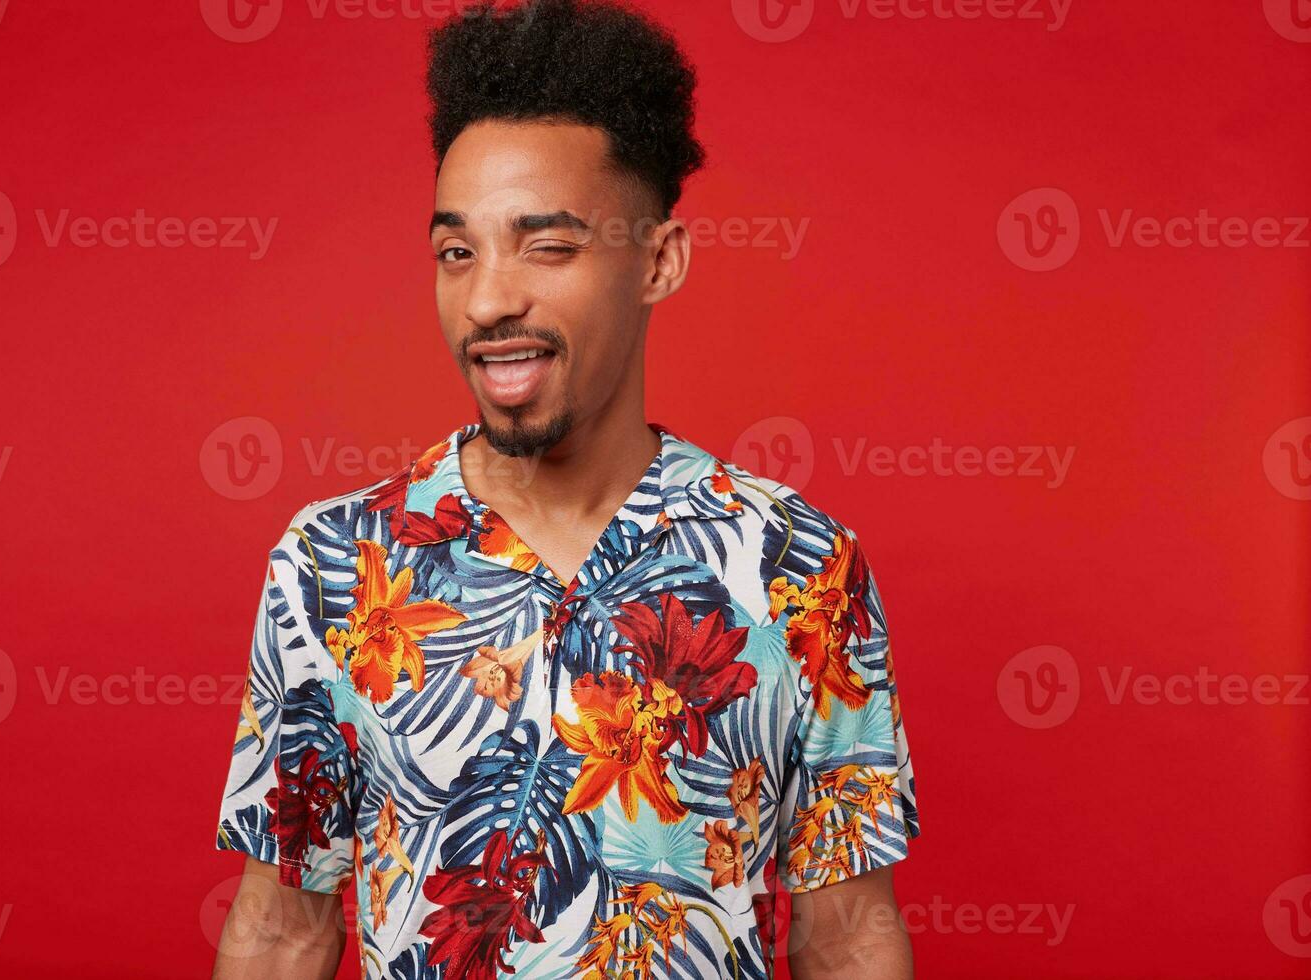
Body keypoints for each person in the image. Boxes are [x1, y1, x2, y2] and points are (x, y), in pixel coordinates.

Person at [211, 1, 919, 976]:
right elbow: (285, 925)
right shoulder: (336, 564)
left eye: (546, 244)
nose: (491, 297)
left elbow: (847, 933)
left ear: (658, 261)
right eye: (458, 251)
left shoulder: (796, 562)